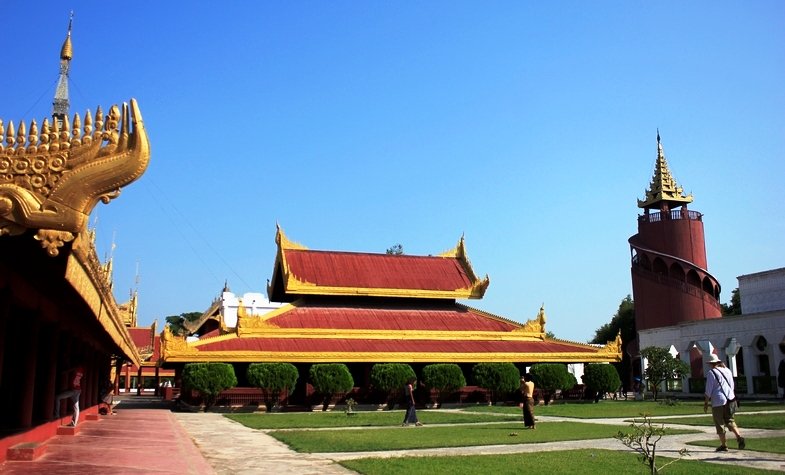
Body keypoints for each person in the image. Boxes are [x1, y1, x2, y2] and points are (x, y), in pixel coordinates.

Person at [704, 354, 745, 452]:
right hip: (730, 399)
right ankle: (739, 437)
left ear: (710, 363)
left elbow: (708, 390)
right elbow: (731, 385)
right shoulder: (727, 370)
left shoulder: (711, 373)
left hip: (718, 401)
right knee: (730, 420)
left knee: (719, 423)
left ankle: (724, 445)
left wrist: (706, 403)